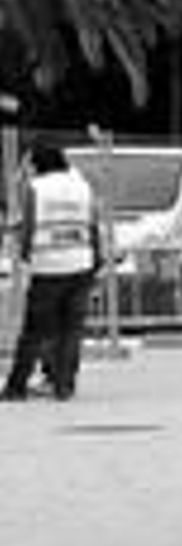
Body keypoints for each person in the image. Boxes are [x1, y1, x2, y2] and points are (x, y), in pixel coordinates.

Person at [3, 142, 103, 402]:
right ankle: (64, 386)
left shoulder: (37, 188)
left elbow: (30, 226)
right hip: (81, 263)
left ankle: (16, 387)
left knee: (34, 330)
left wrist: (25, 254)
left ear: (39, 164)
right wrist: (97, 258)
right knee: (71, 329)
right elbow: (93, 225)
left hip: (48, 265)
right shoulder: (83, 187)